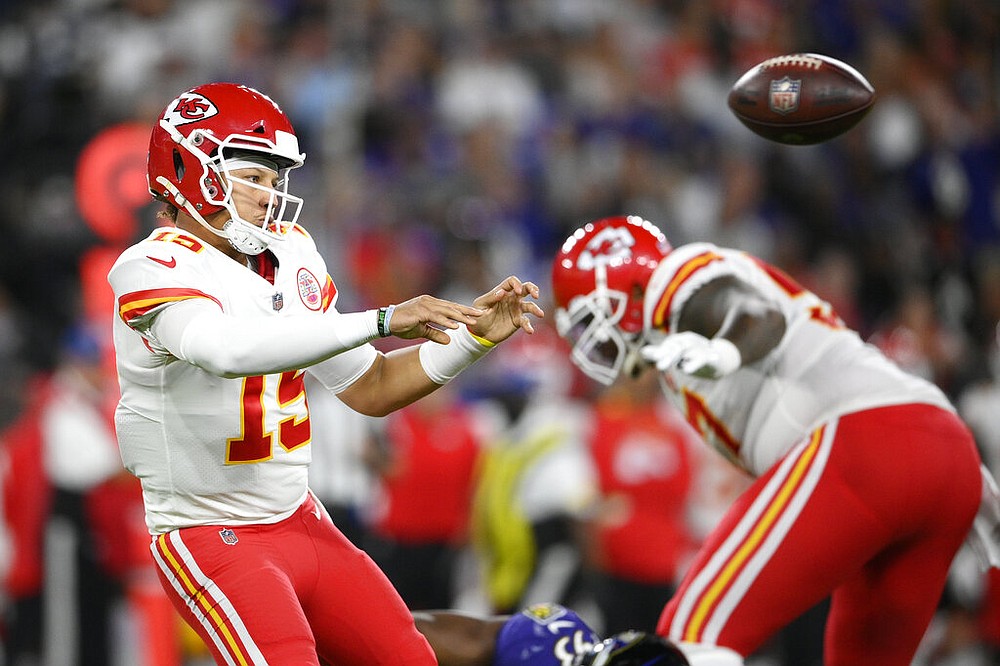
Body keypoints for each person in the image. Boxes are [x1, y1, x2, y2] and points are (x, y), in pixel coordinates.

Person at [107, 81, 543, 665]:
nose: (271, 194)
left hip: (302, 519)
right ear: (193, 169)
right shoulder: (148, 266)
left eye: (274, 178)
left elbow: (372, 386)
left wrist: (474, 338)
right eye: (253, 177)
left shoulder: (291, 251)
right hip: (209, 534)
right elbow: (223, 350)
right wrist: (382, 317)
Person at [549, 214, 999, 666]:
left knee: (692, 634)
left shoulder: (675, 277)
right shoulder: (670, 361)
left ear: (628, 288)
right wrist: (937, 467)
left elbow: (753, 317)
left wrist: (721, 350)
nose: (596, 344)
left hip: (868, 446)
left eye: (593, 318)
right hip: (944, 456)